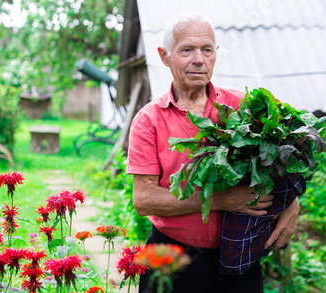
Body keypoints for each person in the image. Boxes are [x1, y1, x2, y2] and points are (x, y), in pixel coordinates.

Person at [126, 13, 300, 293]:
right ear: (164, 56)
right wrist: (217, 200)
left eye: (206, 49)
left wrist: (291, 203)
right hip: (171, 257)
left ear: (215, 53)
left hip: (239, 253)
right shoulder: (148, 120)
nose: (199, 59)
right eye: (186, 50)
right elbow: (144, 200)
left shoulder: (244, 106)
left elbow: (279, 162)